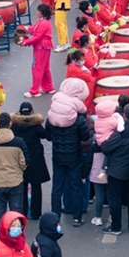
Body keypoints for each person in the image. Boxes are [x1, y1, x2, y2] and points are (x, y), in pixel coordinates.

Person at [45, 78, 91, 227]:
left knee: (57, 188)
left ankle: (55, 217)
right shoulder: (78, 118)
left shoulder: (52, 115)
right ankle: (77, 218)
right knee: (75, 187)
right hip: (74, 157)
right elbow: (85, 137)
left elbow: (48, 136)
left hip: (58, 156)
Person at [100, 103, 129, 234]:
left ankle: (116, 227)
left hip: (117, 169)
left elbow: (106, 148)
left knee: (115, 199)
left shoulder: (121, 132)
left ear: (125, 116)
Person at [0, 112, 29, 226]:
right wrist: (20, 171)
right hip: (15, 180)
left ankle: (1, 234)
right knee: (16, 210)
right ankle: (17, 233)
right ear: (10, 124)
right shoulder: (18, 142)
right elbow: (24, 161)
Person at [11, 102, 49, 221]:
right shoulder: (36, 125)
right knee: (36, 186)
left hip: (20, 158)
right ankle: (36, 212)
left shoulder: (15, 126)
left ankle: (22, 211)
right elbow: (46, 136)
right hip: (35, 158)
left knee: (22, 186)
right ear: (31, 112)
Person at [20, 4, 55, 98]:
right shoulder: (43, 21)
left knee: (37, 68)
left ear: (42, 12)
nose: (37, 12)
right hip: (45, 47)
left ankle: (35, 90)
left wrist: (25, 42)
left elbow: (37, 36)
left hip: (41, 47)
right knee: (45, 68)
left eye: (38, 10)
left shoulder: (43, 23)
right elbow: (33, 29)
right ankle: (48, 87)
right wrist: (25, 28)